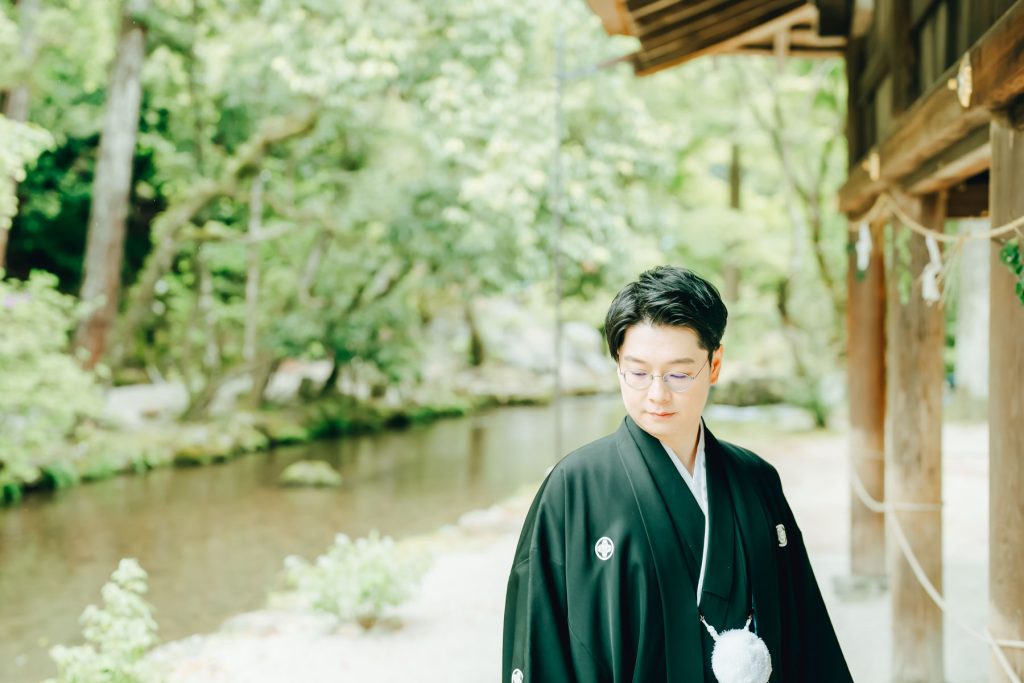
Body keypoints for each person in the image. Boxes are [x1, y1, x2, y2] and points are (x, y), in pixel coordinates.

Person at [502, 266, 853, 682]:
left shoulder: (756, 480)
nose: (657, 394)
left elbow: (805, 634)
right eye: (637, 372)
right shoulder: (574, 487)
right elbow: (542, 641)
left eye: (679, 374)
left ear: (715, 364)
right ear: (618, 365)